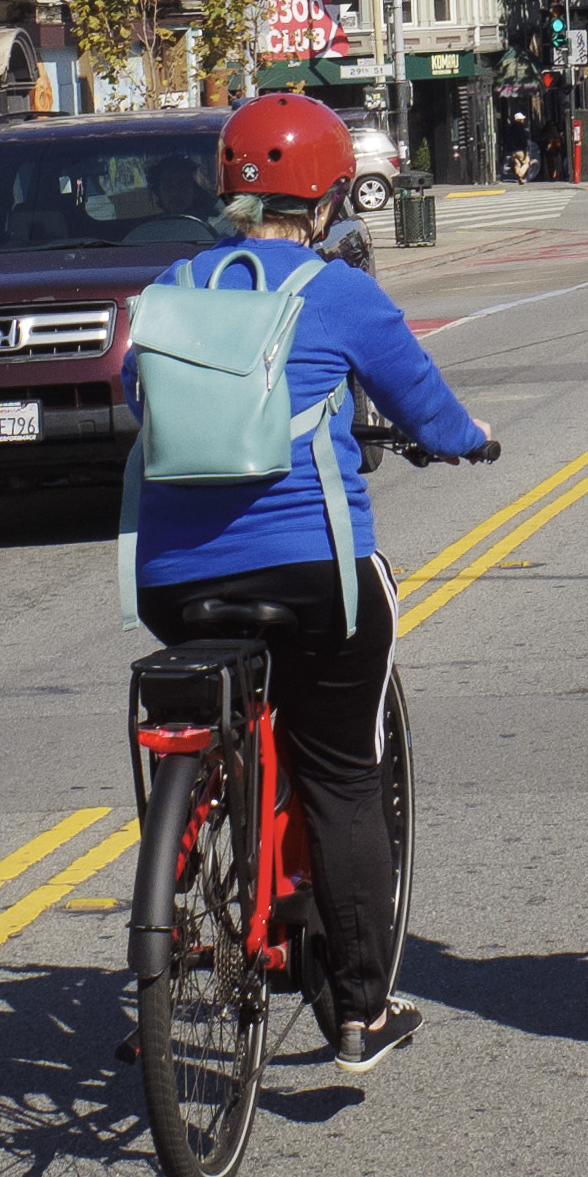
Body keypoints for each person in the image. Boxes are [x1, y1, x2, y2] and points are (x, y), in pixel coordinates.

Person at [123, 92, 500, 1075]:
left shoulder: (167, 289)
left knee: (195, 727)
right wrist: (467, 443)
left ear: (226, 193)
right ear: (328, 200)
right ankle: (360, 1014)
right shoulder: (338, 294)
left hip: (171, 583)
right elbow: (429, 410)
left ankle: (177, 932)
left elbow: (133, 396)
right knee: (340, 774)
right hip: (312, 576)